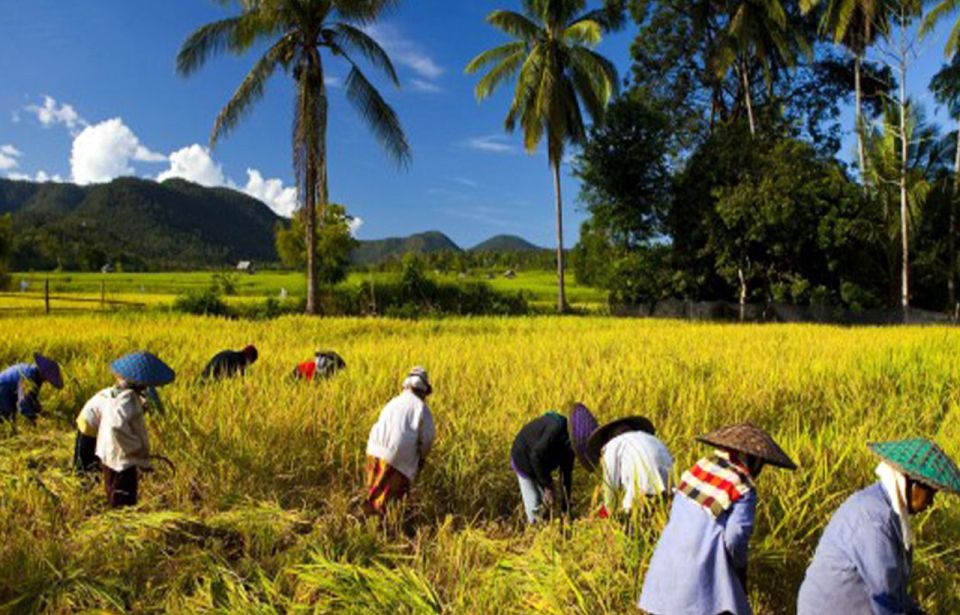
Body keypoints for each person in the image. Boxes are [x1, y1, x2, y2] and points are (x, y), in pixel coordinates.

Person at [638, 422, 797, 615]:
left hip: (667, 559)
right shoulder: (743, 486)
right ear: (753, 460)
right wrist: (740, 568)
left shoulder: (697, 471)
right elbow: (736, 536)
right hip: (701, 567)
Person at [797, 438, 960, 614]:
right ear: (911, 483)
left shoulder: (887, 511)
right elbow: (883, 598)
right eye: (930, 494)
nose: (930, 503)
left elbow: (896, 593)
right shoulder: (874, 520)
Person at [95, 351, 175, 507]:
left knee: (115, 496)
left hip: (110, 455)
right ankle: (120, 529)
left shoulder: (117, 394)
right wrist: (137, 448)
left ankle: (116, 526)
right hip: (120, 460)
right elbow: (116, 426)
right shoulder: (128, 398)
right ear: (140, 383)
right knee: (124, 501)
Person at [362, 366, 435, 516]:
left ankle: (364, 518)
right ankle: (382, 527)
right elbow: (427, 441)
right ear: (423, 390)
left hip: (374, 450)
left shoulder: (393, 402)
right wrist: (421, 459)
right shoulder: (422, 409)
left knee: (373, 489)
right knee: (390, 501)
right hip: (398, 459)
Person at [510, 402, 598, 524]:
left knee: (547, 505)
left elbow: (566, 477)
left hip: (541, 462)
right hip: (523, 458)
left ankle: (545, 525)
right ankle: (534, 532)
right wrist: (547, 486)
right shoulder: (555, 429)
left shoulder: (569, 449)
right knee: (536, 503)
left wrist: (565, 508)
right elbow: (535, 456)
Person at [584, 415, 673, 517]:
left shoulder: (612, 445)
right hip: (671, 496)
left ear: (609, 438)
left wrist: (607, 512)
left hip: (642, 498)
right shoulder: (653, 439)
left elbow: (610, 484)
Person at [0, 353, 63, 424]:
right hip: (2, 389)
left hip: (8, 390)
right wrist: (35, 420)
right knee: (6, 418)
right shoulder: (28, 376)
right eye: (48, 378)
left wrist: (41, 411)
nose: (47, 381)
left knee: (10, 419)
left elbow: (32, 399)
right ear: (43, 374)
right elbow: (23, 403)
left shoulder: (37, 377)